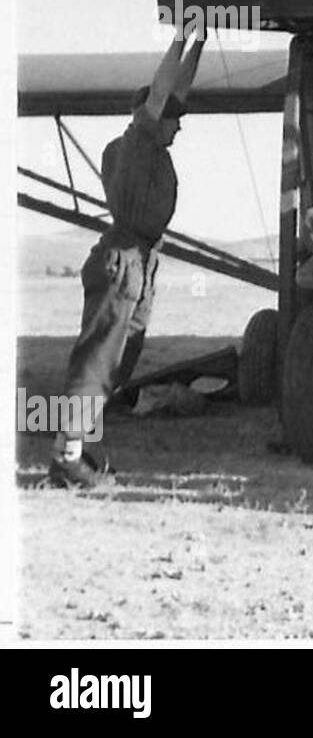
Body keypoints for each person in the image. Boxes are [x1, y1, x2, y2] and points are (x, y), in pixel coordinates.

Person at [48, 28, 205, 487]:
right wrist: (180, 37)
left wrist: (201, 42)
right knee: (97, 360)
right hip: (122, 261)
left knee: (117, 364)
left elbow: (174, 94)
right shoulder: (137, 143)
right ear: (151, 117)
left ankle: (81, 450)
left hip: (138, 264)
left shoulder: (143, 147)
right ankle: (67, 458)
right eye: (172, 119)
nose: (179, 125)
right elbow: (162, 94)